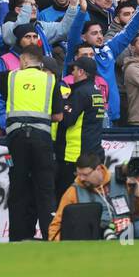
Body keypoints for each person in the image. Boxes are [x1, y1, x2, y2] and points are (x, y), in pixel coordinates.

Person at [0, 49, 64, 241]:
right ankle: (51, 236)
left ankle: (18, 237)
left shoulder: (12, 77)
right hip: (42, 141)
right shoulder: (51, 80)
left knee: (18, 187)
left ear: (23, 61)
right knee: (45, 189)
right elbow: (58, 116)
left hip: (16, 142)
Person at [47, 152, 139, 241]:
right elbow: (56, 224)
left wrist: (138, 193)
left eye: (85, 174)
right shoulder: (74, 191)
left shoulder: (121, 180)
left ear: (99, 169)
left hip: (125, 229)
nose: (81, 178)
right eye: (78, 174)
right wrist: (57, 244)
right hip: (95, 235)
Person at [54, 55, 106, 196]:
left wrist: (62, 103)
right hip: (93, 151)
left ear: (82, 72)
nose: (72, 73)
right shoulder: (96, 90)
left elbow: (66, 120)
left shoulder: (80, 92)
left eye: (75, 69)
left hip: (75, 155)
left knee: (69, 196)